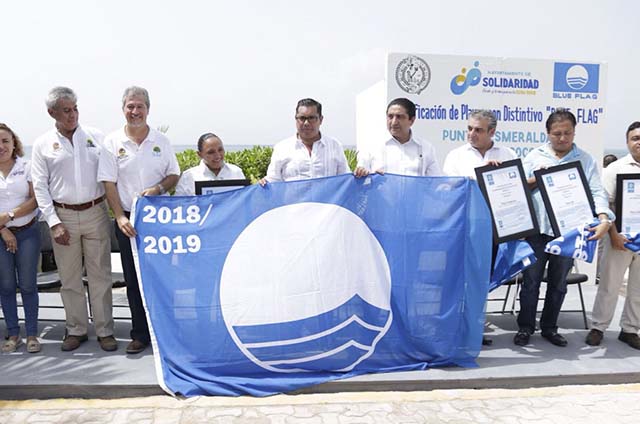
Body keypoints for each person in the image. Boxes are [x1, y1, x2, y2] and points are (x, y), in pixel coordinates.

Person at [514, 109, 613, 347]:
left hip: (568, 233)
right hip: (537, 231)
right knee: (530, 282)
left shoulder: (585, 160)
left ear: (574, 132)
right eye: (557, 133)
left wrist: (603, 219)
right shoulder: (534, 156)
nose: (562, 138)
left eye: (567, 133)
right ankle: (526, 327)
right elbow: (518, 188)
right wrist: (537, 178)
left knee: (558, 283)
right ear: (547, 133)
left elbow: (597, 192)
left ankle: (549, 328)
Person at [31, 87, 116, 352]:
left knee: (100, 275)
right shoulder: (42, 144)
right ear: (52, 113)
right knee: (69, 278)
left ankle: (105, 331)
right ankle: (76, 329)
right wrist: (53, 222)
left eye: (75, 109)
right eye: (66, 110)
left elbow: (111, 175)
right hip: (63, 216)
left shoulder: (97, 137)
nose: (72, 115)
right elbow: (40, 186)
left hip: (96, 212)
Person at [98, 86, 180, 354]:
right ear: (123, 109)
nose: (135, 111)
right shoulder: (111, 142)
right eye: (130, 106)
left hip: (158, 219)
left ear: (148, 109)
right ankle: (140, 334)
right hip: (128, 221)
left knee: (161, 278)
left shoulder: (161, 141)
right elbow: (108, 183)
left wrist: (158, 188)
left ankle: (166, 334)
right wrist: (119, 216)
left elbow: (174, 174)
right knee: (133, 280)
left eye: (140, 106)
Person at [587, 122, 640, 349]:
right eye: (635, 138)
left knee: (638, 289)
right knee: (609, 285)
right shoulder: (615, 169)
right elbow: (605, 205)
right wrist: (615, 235)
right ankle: (598, 327)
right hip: (619, 238)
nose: (639, 142)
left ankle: (630, 330)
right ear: (627, 142)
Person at [0, 123, 40, 353]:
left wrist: (10, 216)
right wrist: (3, 229)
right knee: (6, 286)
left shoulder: (27, 167)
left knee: (27, 284)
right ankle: (13, 334)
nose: (1, 146)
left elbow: (35, 200)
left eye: (5, 141)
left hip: (27, 233)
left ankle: (32, 334)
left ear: (14, 143)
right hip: (1, 236)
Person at [260, 98, 349, 184]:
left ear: (321, 119)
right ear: (296, 119)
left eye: (311, 118)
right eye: (302, 118)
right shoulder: (282, 148)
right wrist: (264, 184)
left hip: (327, 195)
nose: (306, 123)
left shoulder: (334, 146)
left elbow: (345, 180)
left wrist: (356, 176)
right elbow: (273, 181)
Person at [354, 98, 441, 177]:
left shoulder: (426, 148)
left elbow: (435, 182)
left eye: (399, 117)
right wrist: (370, 176)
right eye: (390, 116)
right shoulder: (372, 147)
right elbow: (360, 176)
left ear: (411, 120)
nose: (394, 122)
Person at [443, 110, 516, 176]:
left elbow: (516, 183)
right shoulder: (455, 156)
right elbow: (451, 185)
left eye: (478, 130)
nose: (471, 134)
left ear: (492, 132)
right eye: (470, 129)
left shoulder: (509, 155)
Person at [175, 133, 245, 196]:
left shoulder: (236, 172)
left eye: (220, 150)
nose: (217, 155)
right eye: (211, 152)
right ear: (200, 154)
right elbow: (180, 204)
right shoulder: (187, 177)